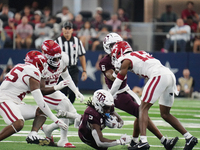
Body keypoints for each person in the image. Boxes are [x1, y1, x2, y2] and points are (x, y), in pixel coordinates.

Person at [109, 41, 198, 150]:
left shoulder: (125, 60)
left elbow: (117, 82)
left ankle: (143, 142)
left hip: (158, 76)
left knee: (142, 108)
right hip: (169, 75)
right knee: (165, 114)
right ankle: (189, 138)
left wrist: (109, 96)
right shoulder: (138, 53)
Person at [102, 32, 179, 150]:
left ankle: (134, 142)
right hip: (118, 94)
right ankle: (164, 141)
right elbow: (111, 76)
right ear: (107, 46)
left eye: (117, 43)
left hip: (126, 90)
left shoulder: (125, 56)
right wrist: (119, 70)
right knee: (141, 112)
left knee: (140, 114)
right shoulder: (106, 61)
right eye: (112, 44)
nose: (115, 46)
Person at [26, 40, 84, 148]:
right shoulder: (40, 65)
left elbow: (66, 77)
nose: (57, 60)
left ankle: (48, 129)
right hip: (44, 93)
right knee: (65, 105)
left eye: (59, 57)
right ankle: (63, 140)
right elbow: (42, 89)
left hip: (55, 92)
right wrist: (57, 87)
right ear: (46, 56)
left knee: (71, 119)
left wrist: (76, 91)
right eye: (54, 58)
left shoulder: (62, 60)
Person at [0, 50, 68, 142]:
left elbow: (40, 90)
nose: (44, 67)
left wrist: (55, 87)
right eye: (43, 64)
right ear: (38, 63)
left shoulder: (20, 66)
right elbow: (40, 101)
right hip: (4, 100)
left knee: (41, 111)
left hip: (14, 102)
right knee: (18, 124)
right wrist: (55, 119)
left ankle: (33, 134)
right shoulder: (33, 71)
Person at [55, 21, 87, 104]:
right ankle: (64, 107)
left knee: (73, 89)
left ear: (72, 30)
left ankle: (69, 106)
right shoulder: (57, 41)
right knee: (63, 90)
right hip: (61, 69)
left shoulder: (77, 41)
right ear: (62, 29)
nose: (67, 30)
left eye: (69, 28)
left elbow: (82, 56)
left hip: (73, 68)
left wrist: (84, 70)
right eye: (66, 28)